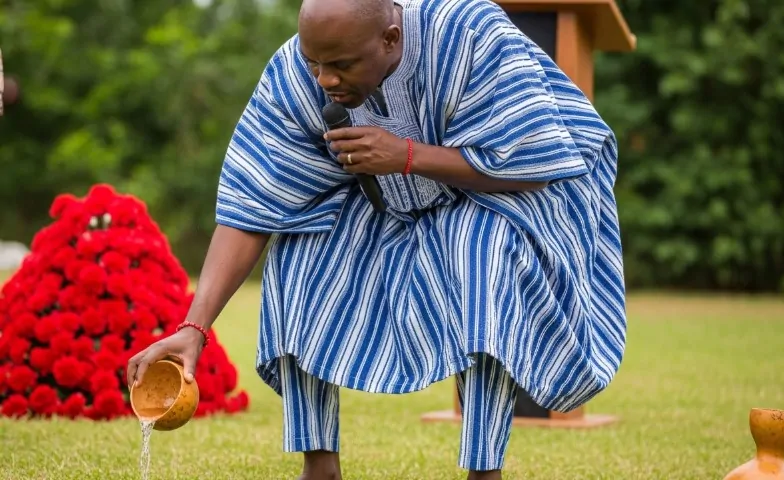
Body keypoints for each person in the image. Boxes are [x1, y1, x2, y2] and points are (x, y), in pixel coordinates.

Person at [127, 0, 627, 478]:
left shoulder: (468, 34)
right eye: (315, 63)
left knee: (482, 251)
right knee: (298, 253)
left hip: (514, 195)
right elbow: (253, 202)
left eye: (341, 65)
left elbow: (534, 162)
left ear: (391, 39)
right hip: (388, 201)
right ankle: (319, 466)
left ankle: (484, 468)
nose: (325, 79)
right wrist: (195, 326)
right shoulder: (294, 74)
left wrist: (406, 155)